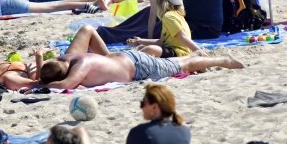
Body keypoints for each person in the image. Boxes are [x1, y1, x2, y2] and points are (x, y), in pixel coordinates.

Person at [37, 25, 243, 90]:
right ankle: (109, 60)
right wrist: (40, 63)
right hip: (122, 58)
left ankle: (223, 61)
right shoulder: (67, 56)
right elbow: (87, 29)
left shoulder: (80, 64)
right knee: (87, 31)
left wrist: (40, 85)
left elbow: (66, 84)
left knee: (183, 64)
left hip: (139, 65)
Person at [125, 0, 199, 58]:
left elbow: (183, 37)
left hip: (178, 52)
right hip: (176, 50)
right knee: (141, 47)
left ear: (160, 1)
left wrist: (200, 52)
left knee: (149, 49)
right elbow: (161, 42)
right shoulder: (176, 14)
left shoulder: (168, 17)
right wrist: (139, 41)